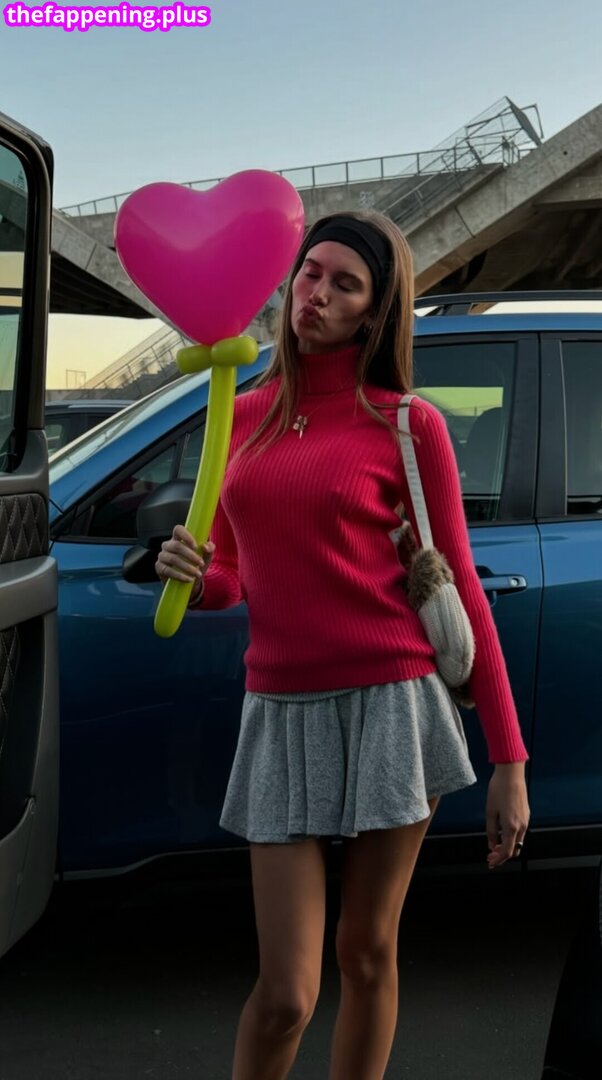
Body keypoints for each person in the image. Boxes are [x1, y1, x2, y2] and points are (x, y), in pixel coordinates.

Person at [155, 210, 530, 1080]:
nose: (315, 295)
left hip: (392, 701)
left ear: (374, 311)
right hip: (279, 707)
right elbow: (233, 574)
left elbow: (465, 589)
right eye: (310, 272)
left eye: (344, 284)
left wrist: (509, 762)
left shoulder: (406, 424)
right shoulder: (240, 414)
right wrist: (196, 575)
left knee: (366, 951)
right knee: (286, 993)